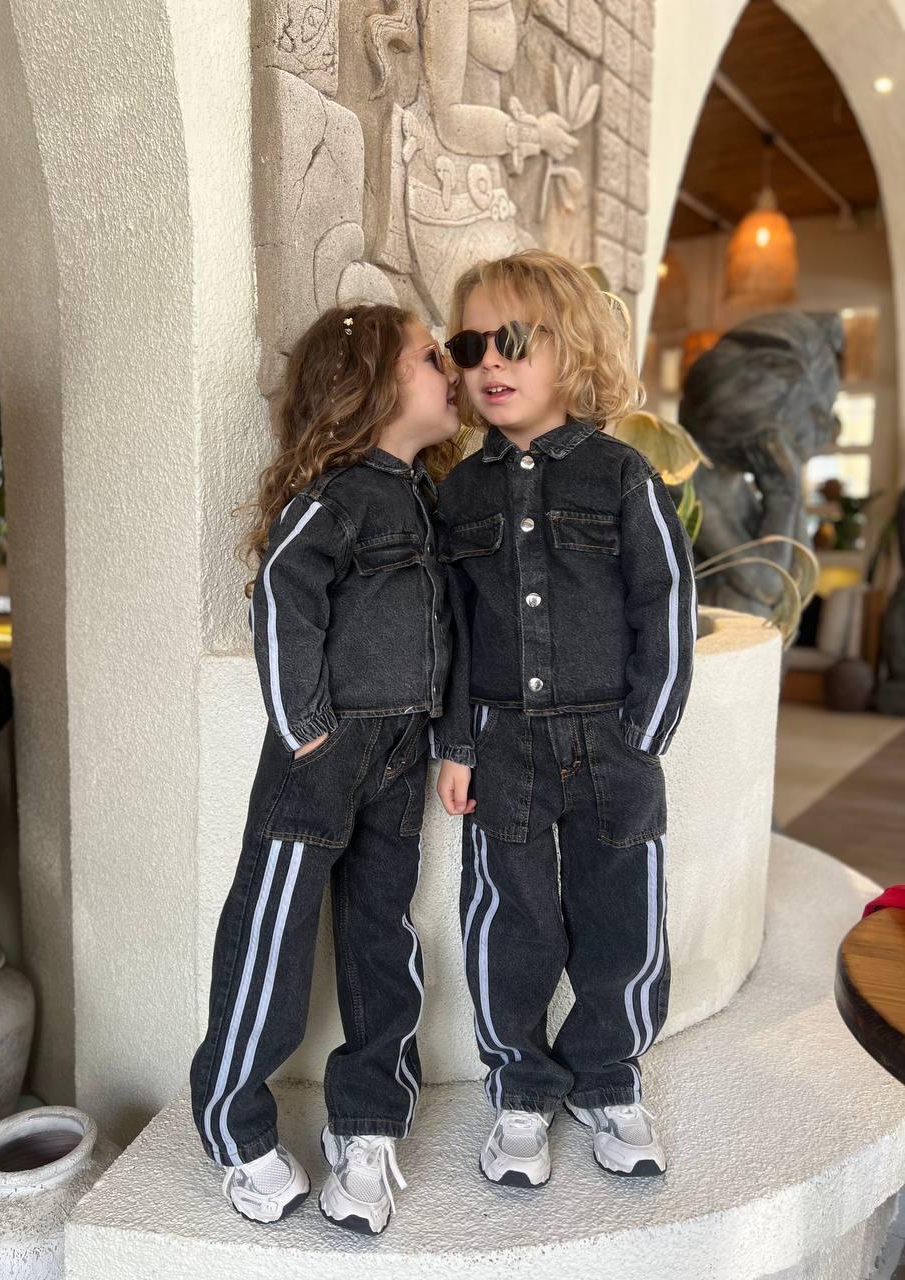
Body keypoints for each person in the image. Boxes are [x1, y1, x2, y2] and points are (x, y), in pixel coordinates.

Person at [190, 304, 461, 1235]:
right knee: (273, 930)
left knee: (383, 932)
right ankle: (234, 1124)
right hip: (322, 754)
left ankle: (370, 1119)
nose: (451, 369)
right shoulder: (339, 496)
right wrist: (304, 723)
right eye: (431, 357)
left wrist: (448, 735)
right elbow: (282, 591)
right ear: (372, 385)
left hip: (401, 755)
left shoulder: (425, 499)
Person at [432, 249, 696, 1188]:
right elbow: (453, 631)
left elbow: (664, 604)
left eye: (513, 340)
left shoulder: (623, 476)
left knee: (620, 912)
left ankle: (610, 1077)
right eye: (469, 348)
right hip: (502, 743)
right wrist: (457, 744)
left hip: (611, 740)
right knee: (512, 920)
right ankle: (519, 1087)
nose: (489, 363)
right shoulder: (457, 495)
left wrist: (644, 734)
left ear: (571, 345)